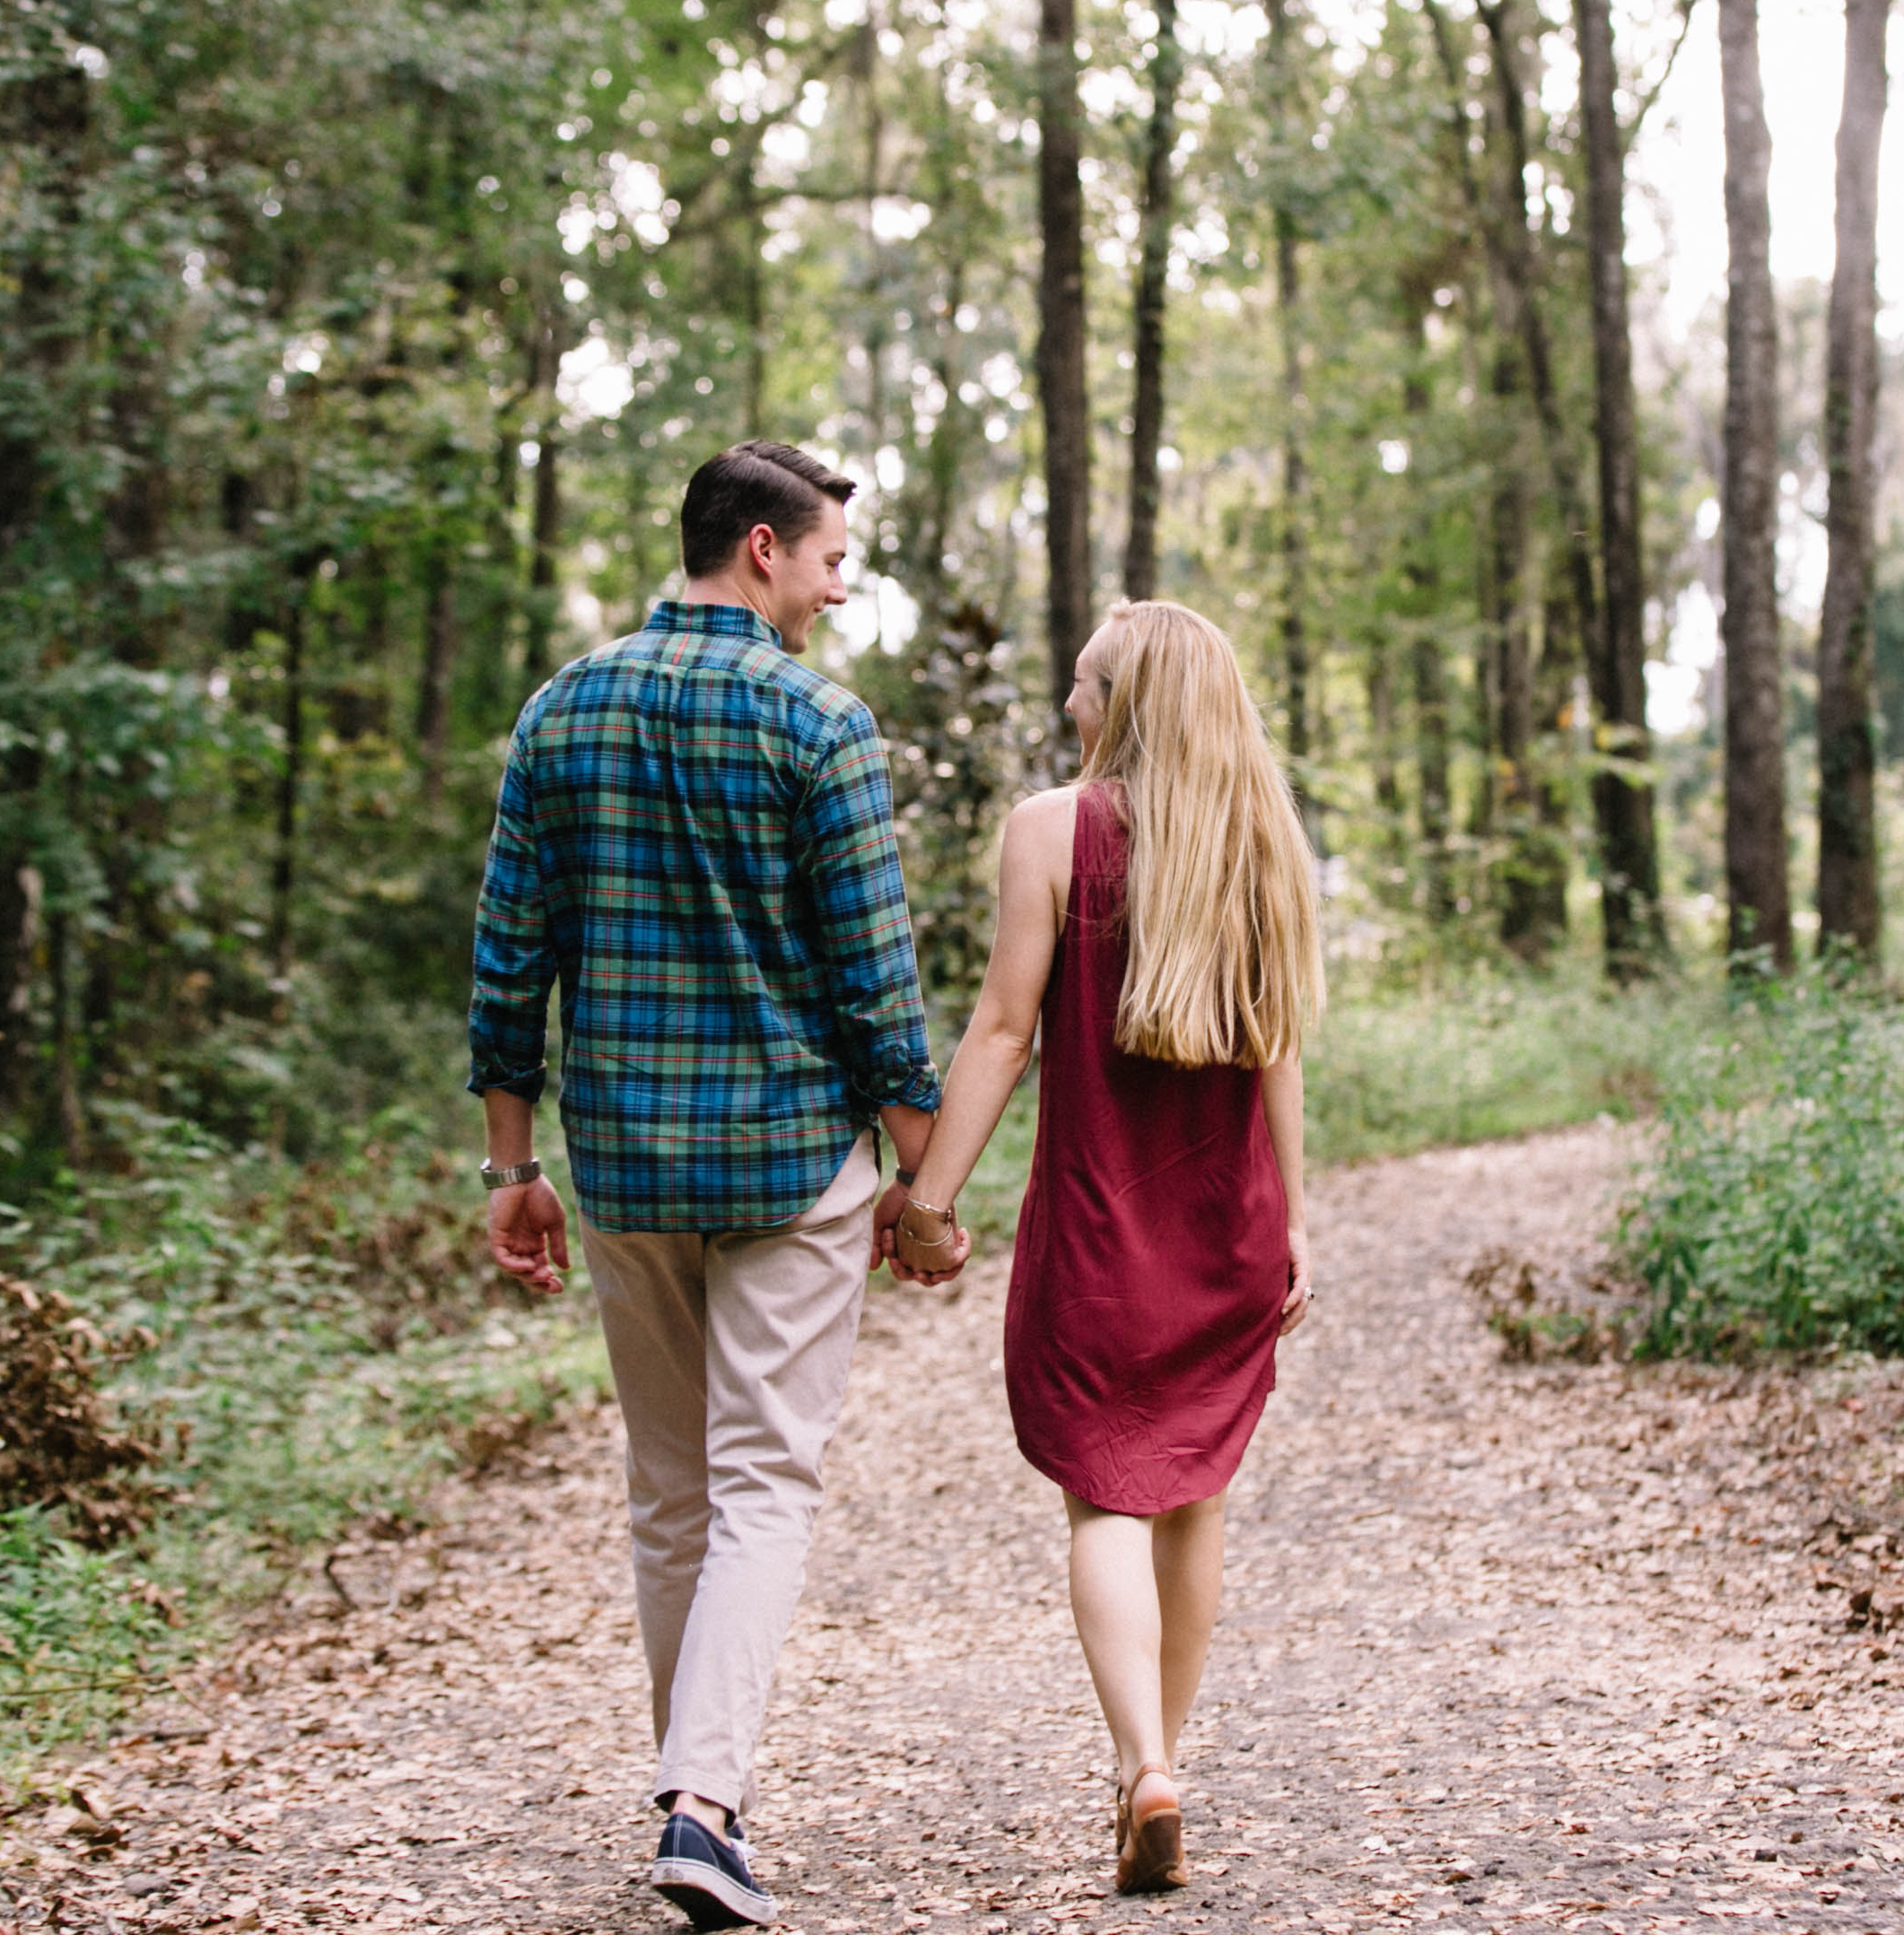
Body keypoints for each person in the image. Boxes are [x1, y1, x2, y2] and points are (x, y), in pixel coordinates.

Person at [469, 440, 942, 1931]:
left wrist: (509, 1166)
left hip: (619, 1164)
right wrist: (919, 1177)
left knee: (672, 1493)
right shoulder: (822, 723)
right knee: (762, 1487)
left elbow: (508, 964)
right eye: (827, 559)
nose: (836, 585)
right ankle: (706, 1806)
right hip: (792, 1161)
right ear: (759, 548)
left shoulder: (561, 710)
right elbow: (878, 984)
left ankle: (696, 1787)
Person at [884, 598, 1321, 1896]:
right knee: (1190, 1495)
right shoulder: (1262, 843)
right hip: (1226, 1229)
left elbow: (1004, 1030)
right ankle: (1162, 1764)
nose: (1069, 706)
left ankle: (1142, 1766)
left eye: (1083, 686)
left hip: (1095, 1235)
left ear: (1123, 703)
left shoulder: (1050, 832)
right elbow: (1282, 1044)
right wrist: (1295, 1220)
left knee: (1102, 1496)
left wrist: (929, 1199)